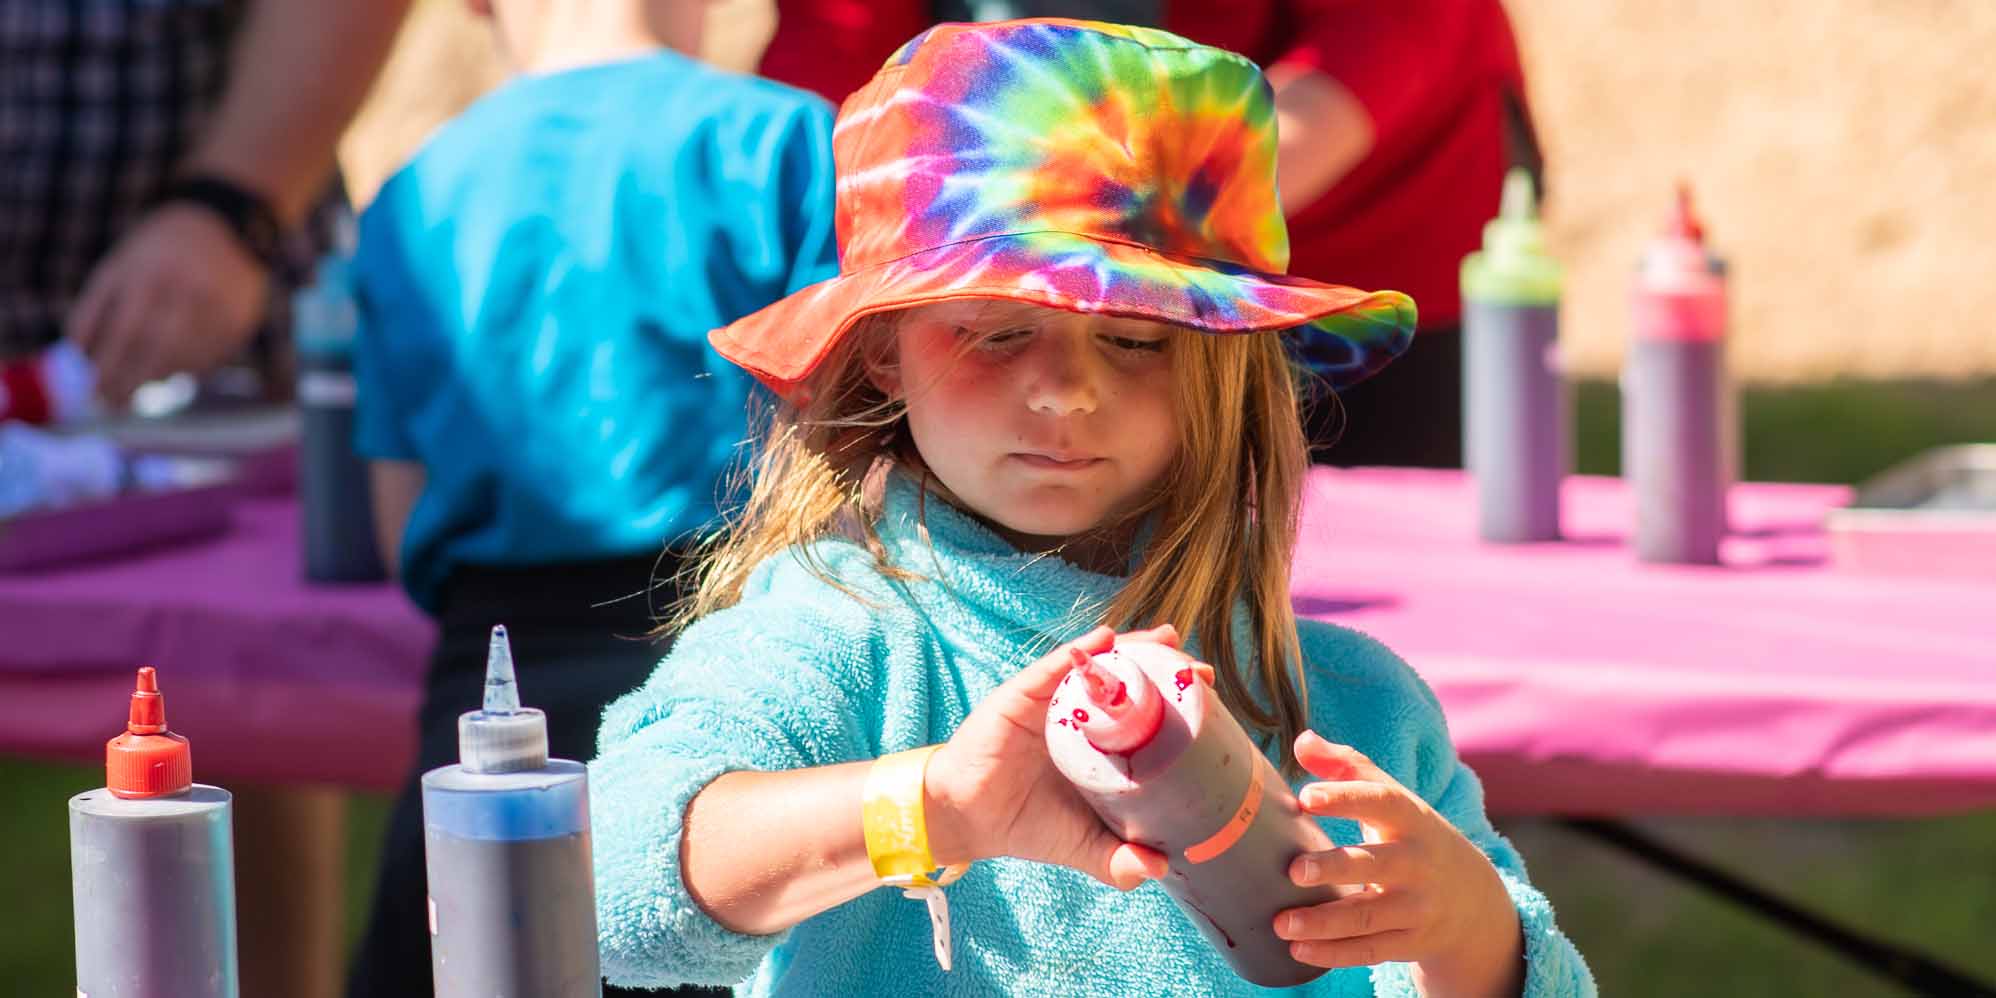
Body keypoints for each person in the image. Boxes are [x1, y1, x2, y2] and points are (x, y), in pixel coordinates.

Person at [590, 20, 1593, 996]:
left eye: (1135, 340)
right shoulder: (838, 644)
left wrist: (1471, 932)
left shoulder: (1354, 705)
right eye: (992, 332)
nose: (1065, 391)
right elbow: (612, 882)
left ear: (1227, 365)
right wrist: (930, 808)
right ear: (881, 349)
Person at [343, 0, 838, 994]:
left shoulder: (412, 191)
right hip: (730, 669)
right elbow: (839, 455)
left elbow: (397, 522)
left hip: (484, 700)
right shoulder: (787, 138)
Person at [757, 0, 1537, 468]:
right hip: (976, 244)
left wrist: (1128, 240)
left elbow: (1387, 40)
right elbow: (831, 60)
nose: (1066, 388)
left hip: (1335, 218)